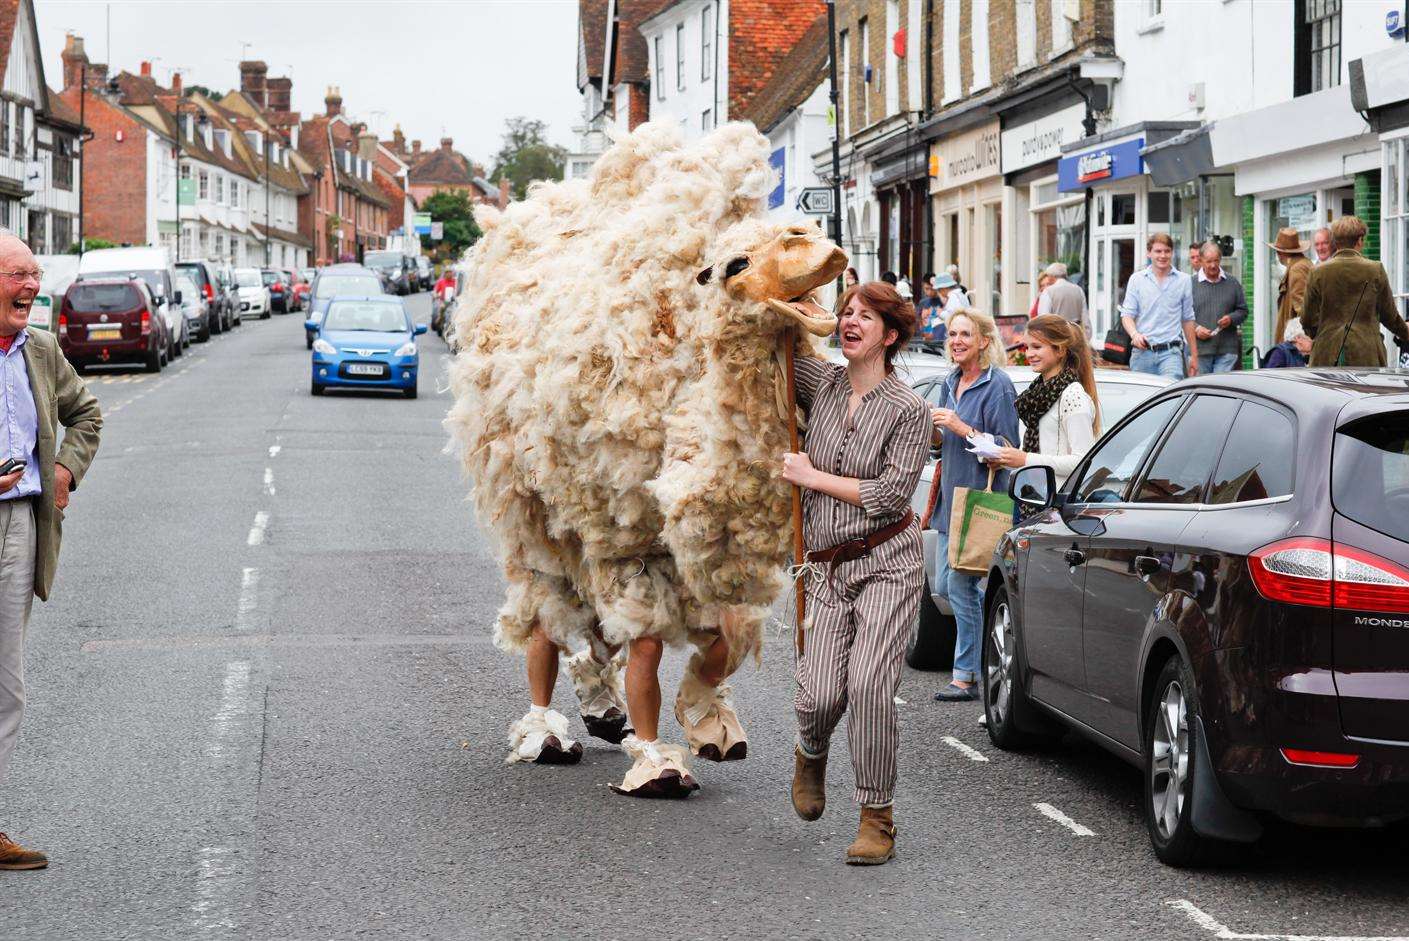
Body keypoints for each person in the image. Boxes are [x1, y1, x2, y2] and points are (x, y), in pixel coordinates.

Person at [781, 282, 929, 867]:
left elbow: (892, 496)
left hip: (888, 561)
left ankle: (876, 816)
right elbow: (777, 357)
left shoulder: (909, 409)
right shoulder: (824, 384)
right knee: (818, 695)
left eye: (863, 317)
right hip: (827, 566)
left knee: (868, 684)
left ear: (888, 336)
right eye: (846, 313)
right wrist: (793, 305)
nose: (850, 322)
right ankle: (809, 750)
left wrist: (809, 476)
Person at [0, 232, 102, 871]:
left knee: (5, 686)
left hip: (21, 529)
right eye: (16, 275)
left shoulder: (39, 350)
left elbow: (86, 413)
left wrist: (63, 471)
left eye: (34, 275)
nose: (31, 286)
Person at [928, 309, 1018, 703]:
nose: (957, 340)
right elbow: (943, 444)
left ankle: (965, 675)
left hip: (979, 501)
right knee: (951, 585)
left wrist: (962, 428)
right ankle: (996, 648)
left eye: (966, 334)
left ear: (983, 341)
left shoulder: (996, 385)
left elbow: (1006, 449)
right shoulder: (950, 380)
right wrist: (935, 433)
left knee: (961, 586)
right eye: (952, 334)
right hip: (952, 499)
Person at [991, 315, 1100, 487]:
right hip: (1034, 496)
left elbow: (1082, 461)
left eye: (1037, 347)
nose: (1029, 354)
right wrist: (1008, 459)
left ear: (1060, 350)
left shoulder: (1072, 396)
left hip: (1058, 502)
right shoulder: (1037, 393)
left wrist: (1025, 459)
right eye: (1027, 347)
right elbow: (1044, 450)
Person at [1302, 215, 1409, 367]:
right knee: (1365, 391)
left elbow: (1307, 318)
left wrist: (1319, 334)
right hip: (1366, 353)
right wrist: (1405, 333)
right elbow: (1389, 316)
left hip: (1326, 353)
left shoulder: (1317, 272)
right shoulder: (1375, 269)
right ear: (1360, 240)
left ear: (1335, 242)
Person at [1120, 232, 1198, 378]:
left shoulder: (1184, 280)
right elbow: (1127, 315)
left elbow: (1188, 319)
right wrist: (1134, 334)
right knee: (1142, 398)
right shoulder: (1137, 279)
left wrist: (1194, 355)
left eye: (1167, 251)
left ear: (1172, 253)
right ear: (1149, 253)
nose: (1163, 256)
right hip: (1142, 353)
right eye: (1158, 251)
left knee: (1171, 397)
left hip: (1171, 353)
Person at [1191, 242, 1248, 374]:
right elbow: (1182, 315)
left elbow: (1243, 311)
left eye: (1216, 261)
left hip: (1227, 350)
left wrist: (1231, 318)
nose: (1213, 265)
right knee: (1203, 389)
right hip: (1199, 350)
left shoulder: (1232, 283)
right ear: (1201, 261)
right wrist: (1196, 329)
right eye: (1209, 261)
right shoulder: (1190, 284)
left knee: (1220, 390)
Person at [1270, 227, 1313, 354]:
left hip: (1296, 344)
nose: (1277, 255)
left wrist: (1299, 340)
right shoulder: (1303, 264)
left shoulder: (1297, 269)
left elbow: (1302, 309)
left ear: (1281, 253)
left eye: (1278, 251)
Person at [1036, 261, 1088, 336]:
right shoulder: (1078, 290)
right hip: (1075, 336)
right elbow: (1086, 320)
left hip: (1057, 337)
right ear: (1065, 275)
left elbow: (1043, 319)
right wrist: (1086, 338)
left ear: (1051, 276)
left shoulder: (1048, 292)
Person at [918, 279, 945, 344]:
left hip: (940, 341)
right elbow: (919, 320)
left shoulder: (943, 301)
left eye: (932, 288)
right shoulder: (923, 302)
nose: (929, 292)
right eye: (926, 289)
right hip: (926, 341)